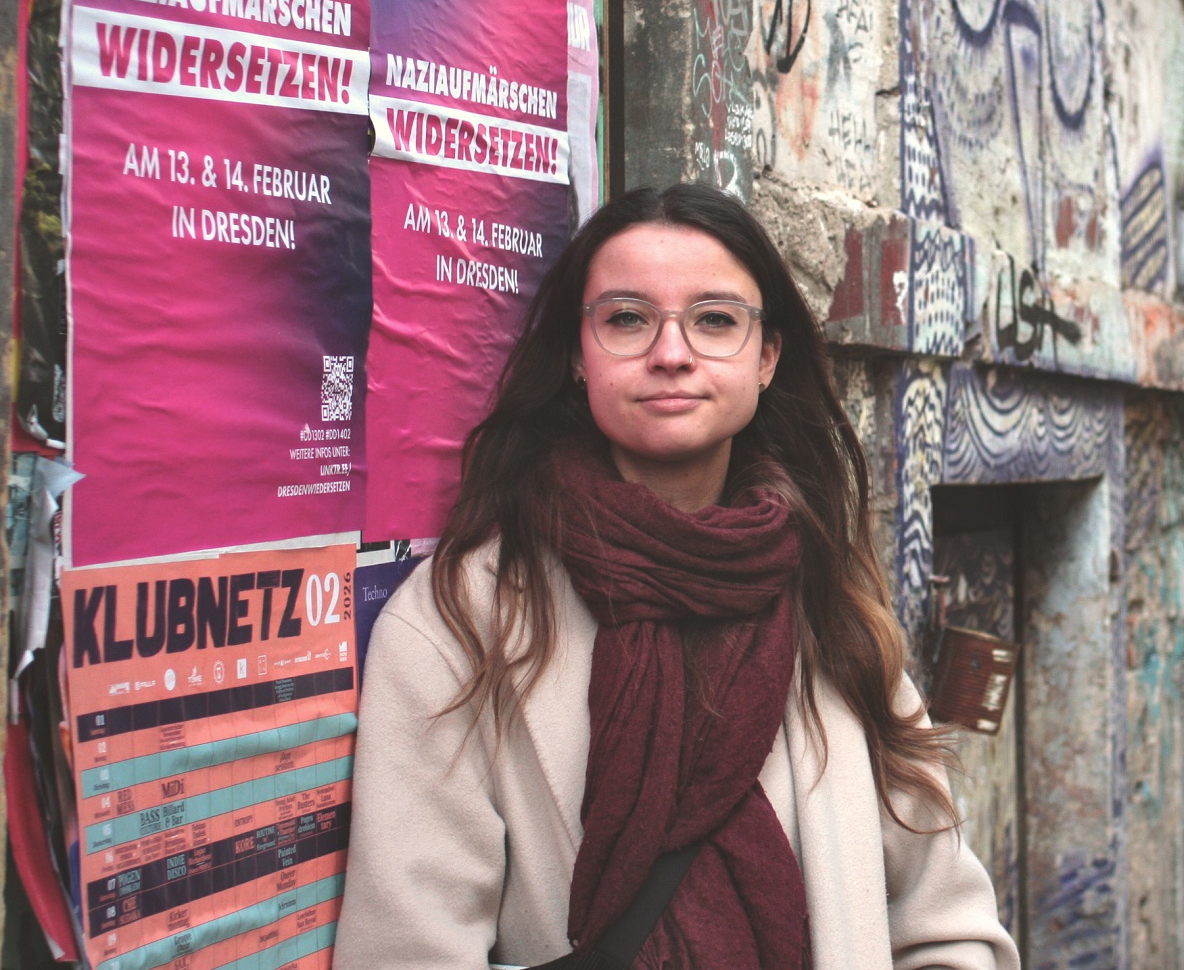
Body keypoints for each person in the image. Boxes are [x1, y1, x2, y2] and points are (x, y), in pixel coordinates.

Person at [335, 186, 1018, 969]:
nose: (671, 352)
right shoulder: (464, 623)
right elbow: (408, 952)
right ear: (575, 353)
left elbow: (946, 923)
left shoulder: (827, 600)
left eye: (715, 320)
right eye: (627, 318)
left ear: (767, 358)